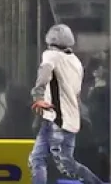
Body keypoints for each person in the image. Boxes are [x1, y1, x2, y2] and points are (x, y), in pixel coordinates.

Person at [29, 24, 106, 184]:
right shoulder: (76, 62)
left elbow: (43, 76)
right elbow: (76, 92)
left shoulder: (51, 55)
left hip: (57, 119)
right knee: (39, 158)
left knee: (64, 164)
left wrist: (37, 97)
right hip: (68, 119)